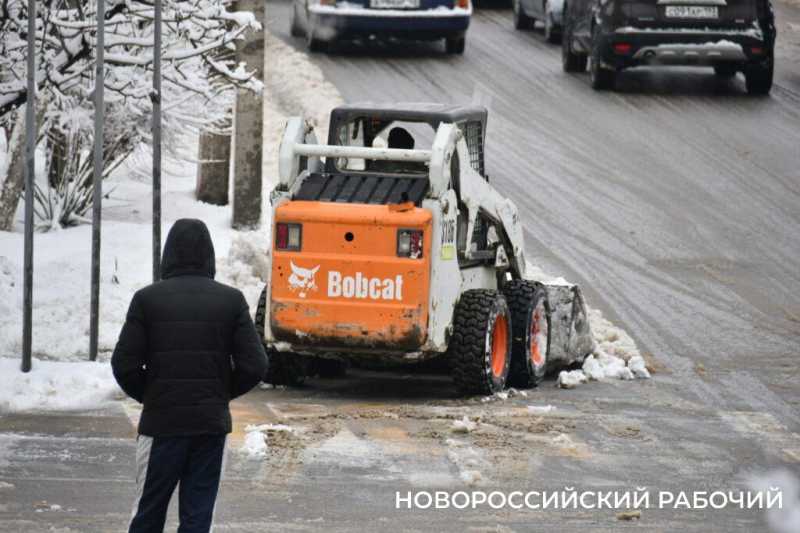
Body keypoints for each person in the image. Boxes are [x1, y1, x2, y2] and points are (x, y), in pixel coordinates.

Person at [112, 218, 269, 533]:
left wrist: (154, 395)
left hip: (161, 426)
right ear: (209, 256)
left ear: (168, 255)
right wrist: (219, 392)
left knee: (148, 512)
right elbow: (255, 365)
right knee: (198, 517)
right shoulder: (231, 300)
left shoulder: (147, 300)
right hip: (209, 427)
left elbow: (124, 364)